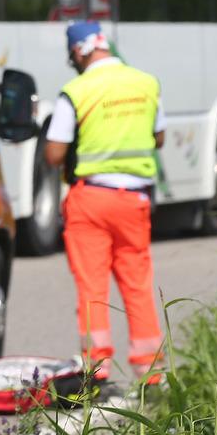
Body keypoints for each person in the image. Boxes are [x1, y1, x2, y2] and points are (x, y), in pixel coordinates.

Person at [44, 20, 165, 385]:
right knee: (138, 284)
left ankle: (96, 370)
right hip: (134, 201)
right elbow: (158, 138)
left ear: (79, 51)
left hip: (90, 200)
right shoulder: (145, 83)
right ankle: (151, 371)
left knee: (93, 287)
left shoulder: (76, 90)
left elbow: (53, 152)